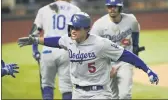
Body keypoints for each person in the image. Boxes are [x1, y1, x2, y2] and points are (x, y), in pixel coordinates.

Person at [18, 12, 159, 99]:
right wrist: (35, 40)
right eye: (71, 27)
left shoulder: (101, 44)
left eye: (77, 28)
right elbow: (56, 41)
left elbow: (127, 55)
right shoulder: (69, 40)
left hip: (99, 94)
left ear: (86, 29)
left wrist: (148, 70)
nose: (73, 30)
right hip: (78, 93)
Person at [29, 0, 81, 99]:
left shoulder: (44, 10)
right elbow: (81, 32)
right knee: (67, 88)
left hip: (47, 51)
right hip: (66, 51)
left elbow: (33, 34)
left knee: (47, 86)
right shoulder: (75, 9)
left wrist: (35, 51)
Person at [90, 0, 141, 99]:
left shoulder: (131, 20)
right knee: (112, 96)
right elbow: (92, 46)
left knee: (125, 95)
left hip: (125, 61)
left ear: (120, 7)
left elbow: (135, 32)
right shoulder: (99, 25)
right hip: (107, 63)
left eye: (115, 6)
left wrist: (135, 48)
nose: (112, 9)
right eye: (109, 6)